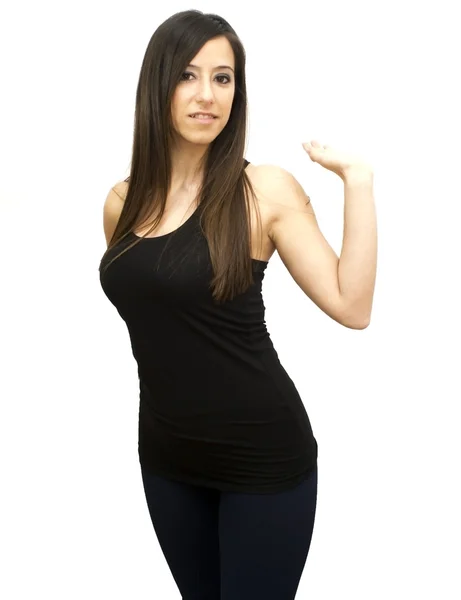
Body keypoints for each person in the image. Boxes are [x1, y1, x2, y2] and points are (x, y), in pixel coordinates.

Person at [99, 9, 377, 600]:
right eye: (188, 75)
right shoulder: (121, 202)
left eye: (223, 78)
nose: (207, 95)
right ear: (158, 86)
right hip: (167, 456)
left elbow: (352, 305)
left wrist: (358, 182)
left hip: (262, 459)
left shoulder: (264, 190)